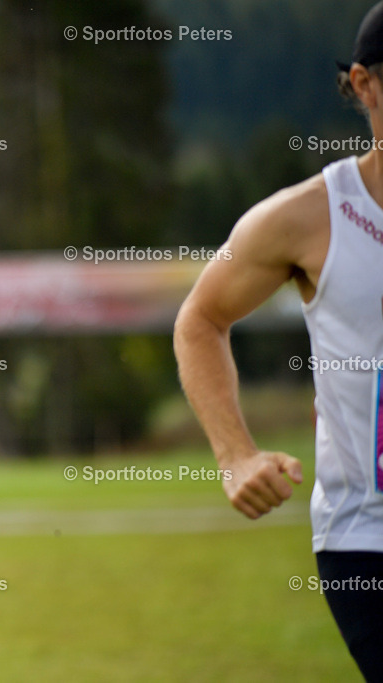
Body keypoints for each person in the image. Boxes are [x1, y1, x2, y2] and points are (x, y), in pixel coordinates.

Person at [174, 4, 383, 679]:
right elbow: (200, 319)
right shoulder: (308, 218)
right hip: (367, 540)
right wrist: (235, 455)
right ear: (364, 82)